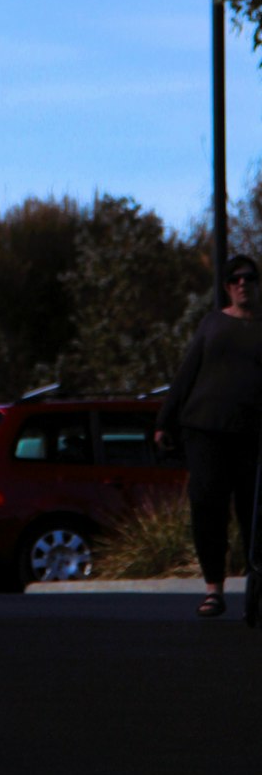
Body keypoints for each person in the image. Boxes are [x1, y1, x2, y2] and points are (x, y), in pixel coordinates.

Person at [155, 254, 262, 617]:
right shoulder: (212, 323)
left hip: (251, 435)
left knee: (253, 512)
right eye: (236, 279)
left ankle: (256, 583)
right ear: (227, 287)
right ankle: (213, 589)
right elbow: (187, 372)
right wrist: (164, 421)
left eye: (249, 278)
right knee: (208, 505)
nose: (243, 283)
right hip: (204, 428)